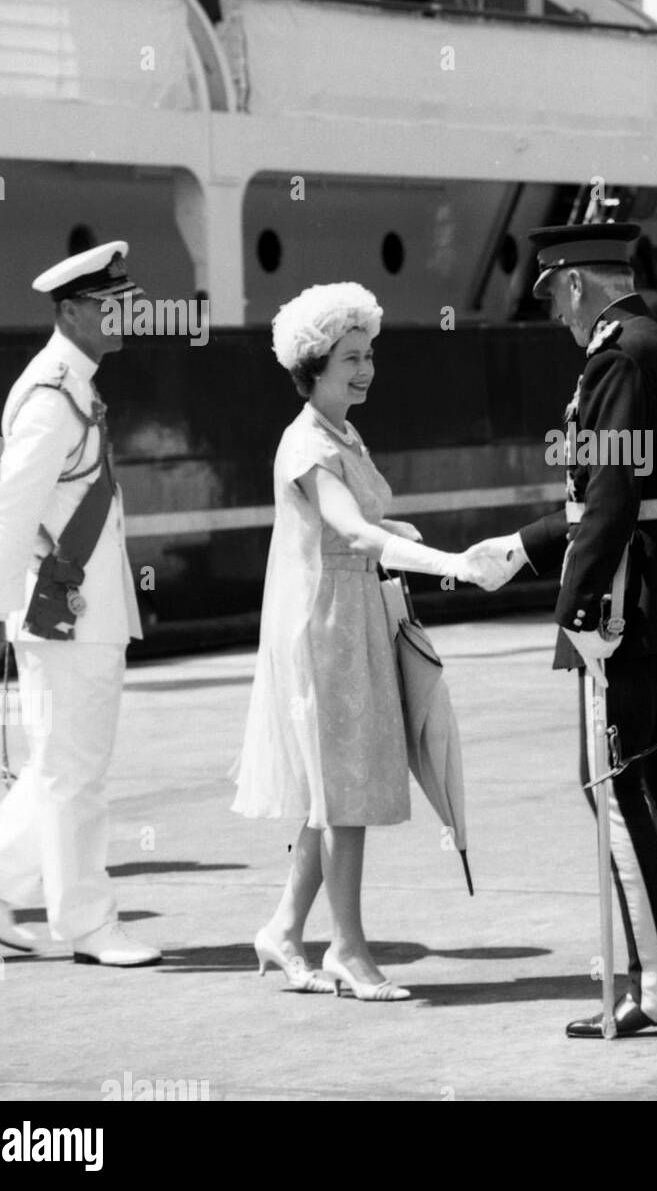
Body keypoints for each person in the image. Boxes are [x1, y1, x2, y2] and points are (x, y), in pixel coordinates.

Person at [467, 223, 657, 1038]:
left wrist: (575, 609)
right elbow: (638, 496)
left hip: (626, 610)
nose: (555, 316)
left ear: (575, 285)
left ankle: (653, 984)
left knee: (612, 787)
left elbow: (609, 498)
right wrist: (522, 546)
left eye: (553, 297)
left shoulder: (615, 357)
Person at [232, 283, 487, 1001]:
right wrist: (453, 565)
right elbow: (348, 529)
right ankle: (347, 949)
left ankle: (284, 932)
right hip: (326, 627)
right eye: (350, 357)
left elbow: (363, 528)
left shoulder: (342, 432)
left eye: (369, 353)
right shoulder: (308, 441)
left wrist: (405, 538)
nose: (366, 368)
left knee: (335, 788)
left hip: (354, 617)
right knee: (343, 791)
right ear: (313, 364)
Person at [0, 243, 161, 968]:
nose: (122, 312)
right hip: (68, 617)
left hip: (76, 612)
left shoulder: (74, 383)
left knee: (58, 766)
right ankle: (89, 926)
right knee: (78, 775)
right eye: (110, 304)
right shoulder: (53, 394)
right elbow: (6, 511)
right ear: (72, 311)